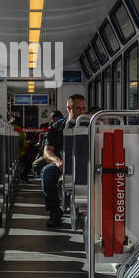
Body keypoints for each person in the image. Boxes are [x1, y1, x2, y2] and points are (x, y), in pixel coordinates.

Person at [41, 95, 86, 229]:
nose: (82, 112)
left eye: (84, 108)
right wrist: (57, 161)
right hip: (64, 165)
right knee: (47, 172)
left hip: (88, 163)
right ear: (68, 108)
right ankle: (55, 211)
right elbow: (47, 151)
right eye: (78, 109)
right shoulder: (57, 127)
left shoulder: (92, 124)